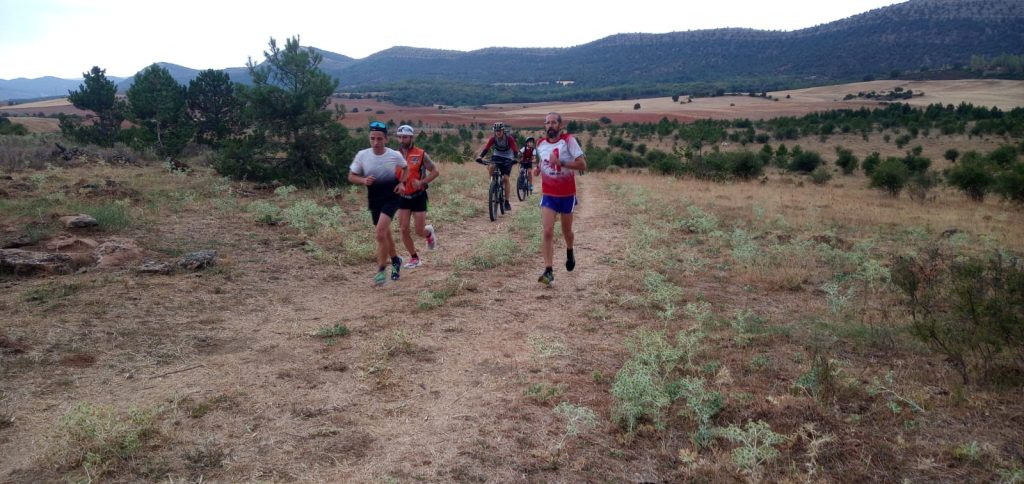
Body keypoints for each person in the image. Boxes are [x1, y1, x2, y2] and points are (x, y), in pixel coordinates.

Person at [348, 121, 408, 286]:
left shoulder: (394, 155)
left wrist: (402, 183)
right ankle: (395, 260)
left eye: (379, 139)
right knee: (386, 234)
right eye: (372, 138)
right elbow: (351, 176)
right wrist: (363, 180)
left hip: (392, 197)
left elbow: (405, 168)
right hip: (374, 199)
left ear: (386, 139)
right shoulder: (362, 155)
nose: (375, 142)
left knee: (380, 233)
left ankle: (381, 271)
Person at [533, 112, 586, 286]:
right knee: (547, 231)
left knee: (566, 231)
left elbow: (582, 165)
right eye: (547, 123)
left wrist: (561, 163)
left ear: (560, 125)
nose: (550, 125)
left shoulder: (569, 140)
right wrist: (538, 169)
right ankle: (548, 271)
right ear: (544, 126)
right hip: (549, 194)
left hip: (567, 194)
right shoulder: (540, 143)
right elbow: (543, 161)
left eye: (554, 122)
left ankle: (570, 250)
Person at [394, 124, 439, 269]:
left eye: (405, 137)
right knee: (403, 229)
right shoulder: (394, 155)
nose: (402, 140)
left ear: (411, 137)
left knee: (419, 230)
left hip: (418, 196)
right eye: (400, 137)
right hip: (403, 197)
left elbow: (435, 171)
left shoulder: (421, 154)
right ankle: (414, 258)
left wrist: (422, 182)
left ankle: (428, 233)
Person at [476, 122, 518, 211]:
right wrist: (480, 157)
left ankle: (506, 202)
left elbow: (514, 149)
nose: (498, 132)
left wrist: (515, 158)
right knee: (491, 166)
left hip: (508, 157)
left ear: (503, 130)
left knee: (506, 179)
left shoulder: (509, 138)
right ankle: (493, 183)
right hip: (497, 155)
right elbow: (486, 148)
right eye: (496, 131)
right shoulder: (493, 139)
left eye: (499, 130)